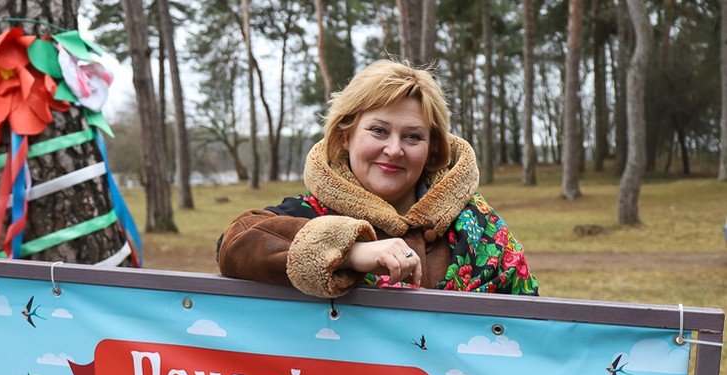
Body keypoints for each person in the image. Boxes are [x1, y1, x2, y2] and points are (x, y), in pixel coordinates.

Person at [217, 59, 538, 298]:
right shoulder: (311, 214)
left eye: (412, 137)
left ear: (432, 149)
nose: (394, 150)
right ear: (346, 136)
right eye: (378, 130)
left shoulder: (478, 226)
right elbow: (234, 245)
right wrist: (349, 251)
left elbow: (529, 322)